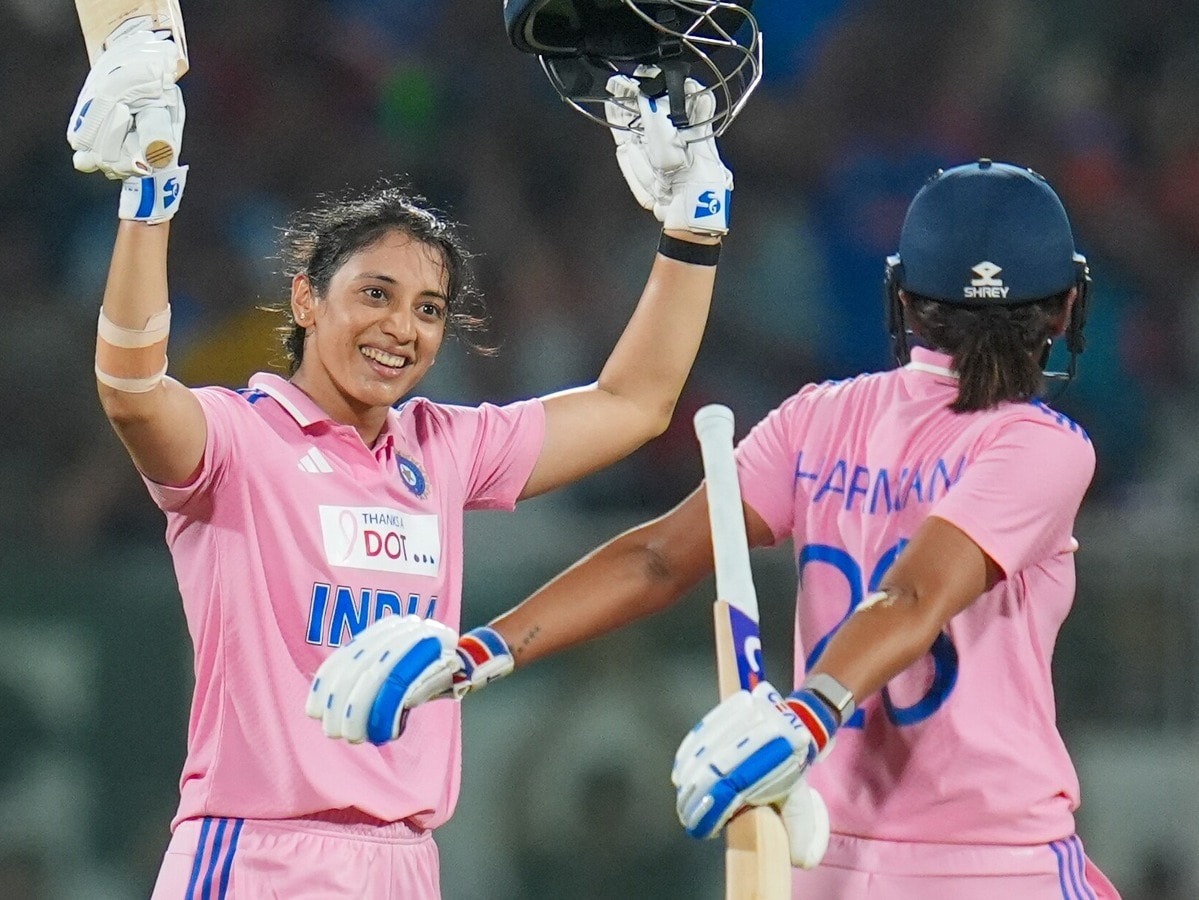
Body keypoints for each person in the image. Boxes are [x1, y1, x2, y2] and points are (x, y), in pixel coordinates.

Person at [319, 159, 1123, 899]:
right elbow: (913, 597)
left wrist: (480, 651)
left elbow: (656, 559)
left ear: (903, 299)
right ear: (1063, 309)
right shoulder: (1044, 446)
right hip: (996, 861)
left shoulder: (820, 417)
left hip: (825, 863)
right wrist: (804, 716)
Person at [66, 15, 738, 898]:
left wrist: (692, 233)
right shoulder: (240, 438)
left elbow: (634, 404)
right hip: (261, 857)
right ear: (306, 300)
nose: (400, 327)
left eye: (427, 309)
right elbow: (131, 389)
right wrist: (148, 197)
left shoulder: (443, 447)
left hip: (406, 862)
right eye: (375, 294)